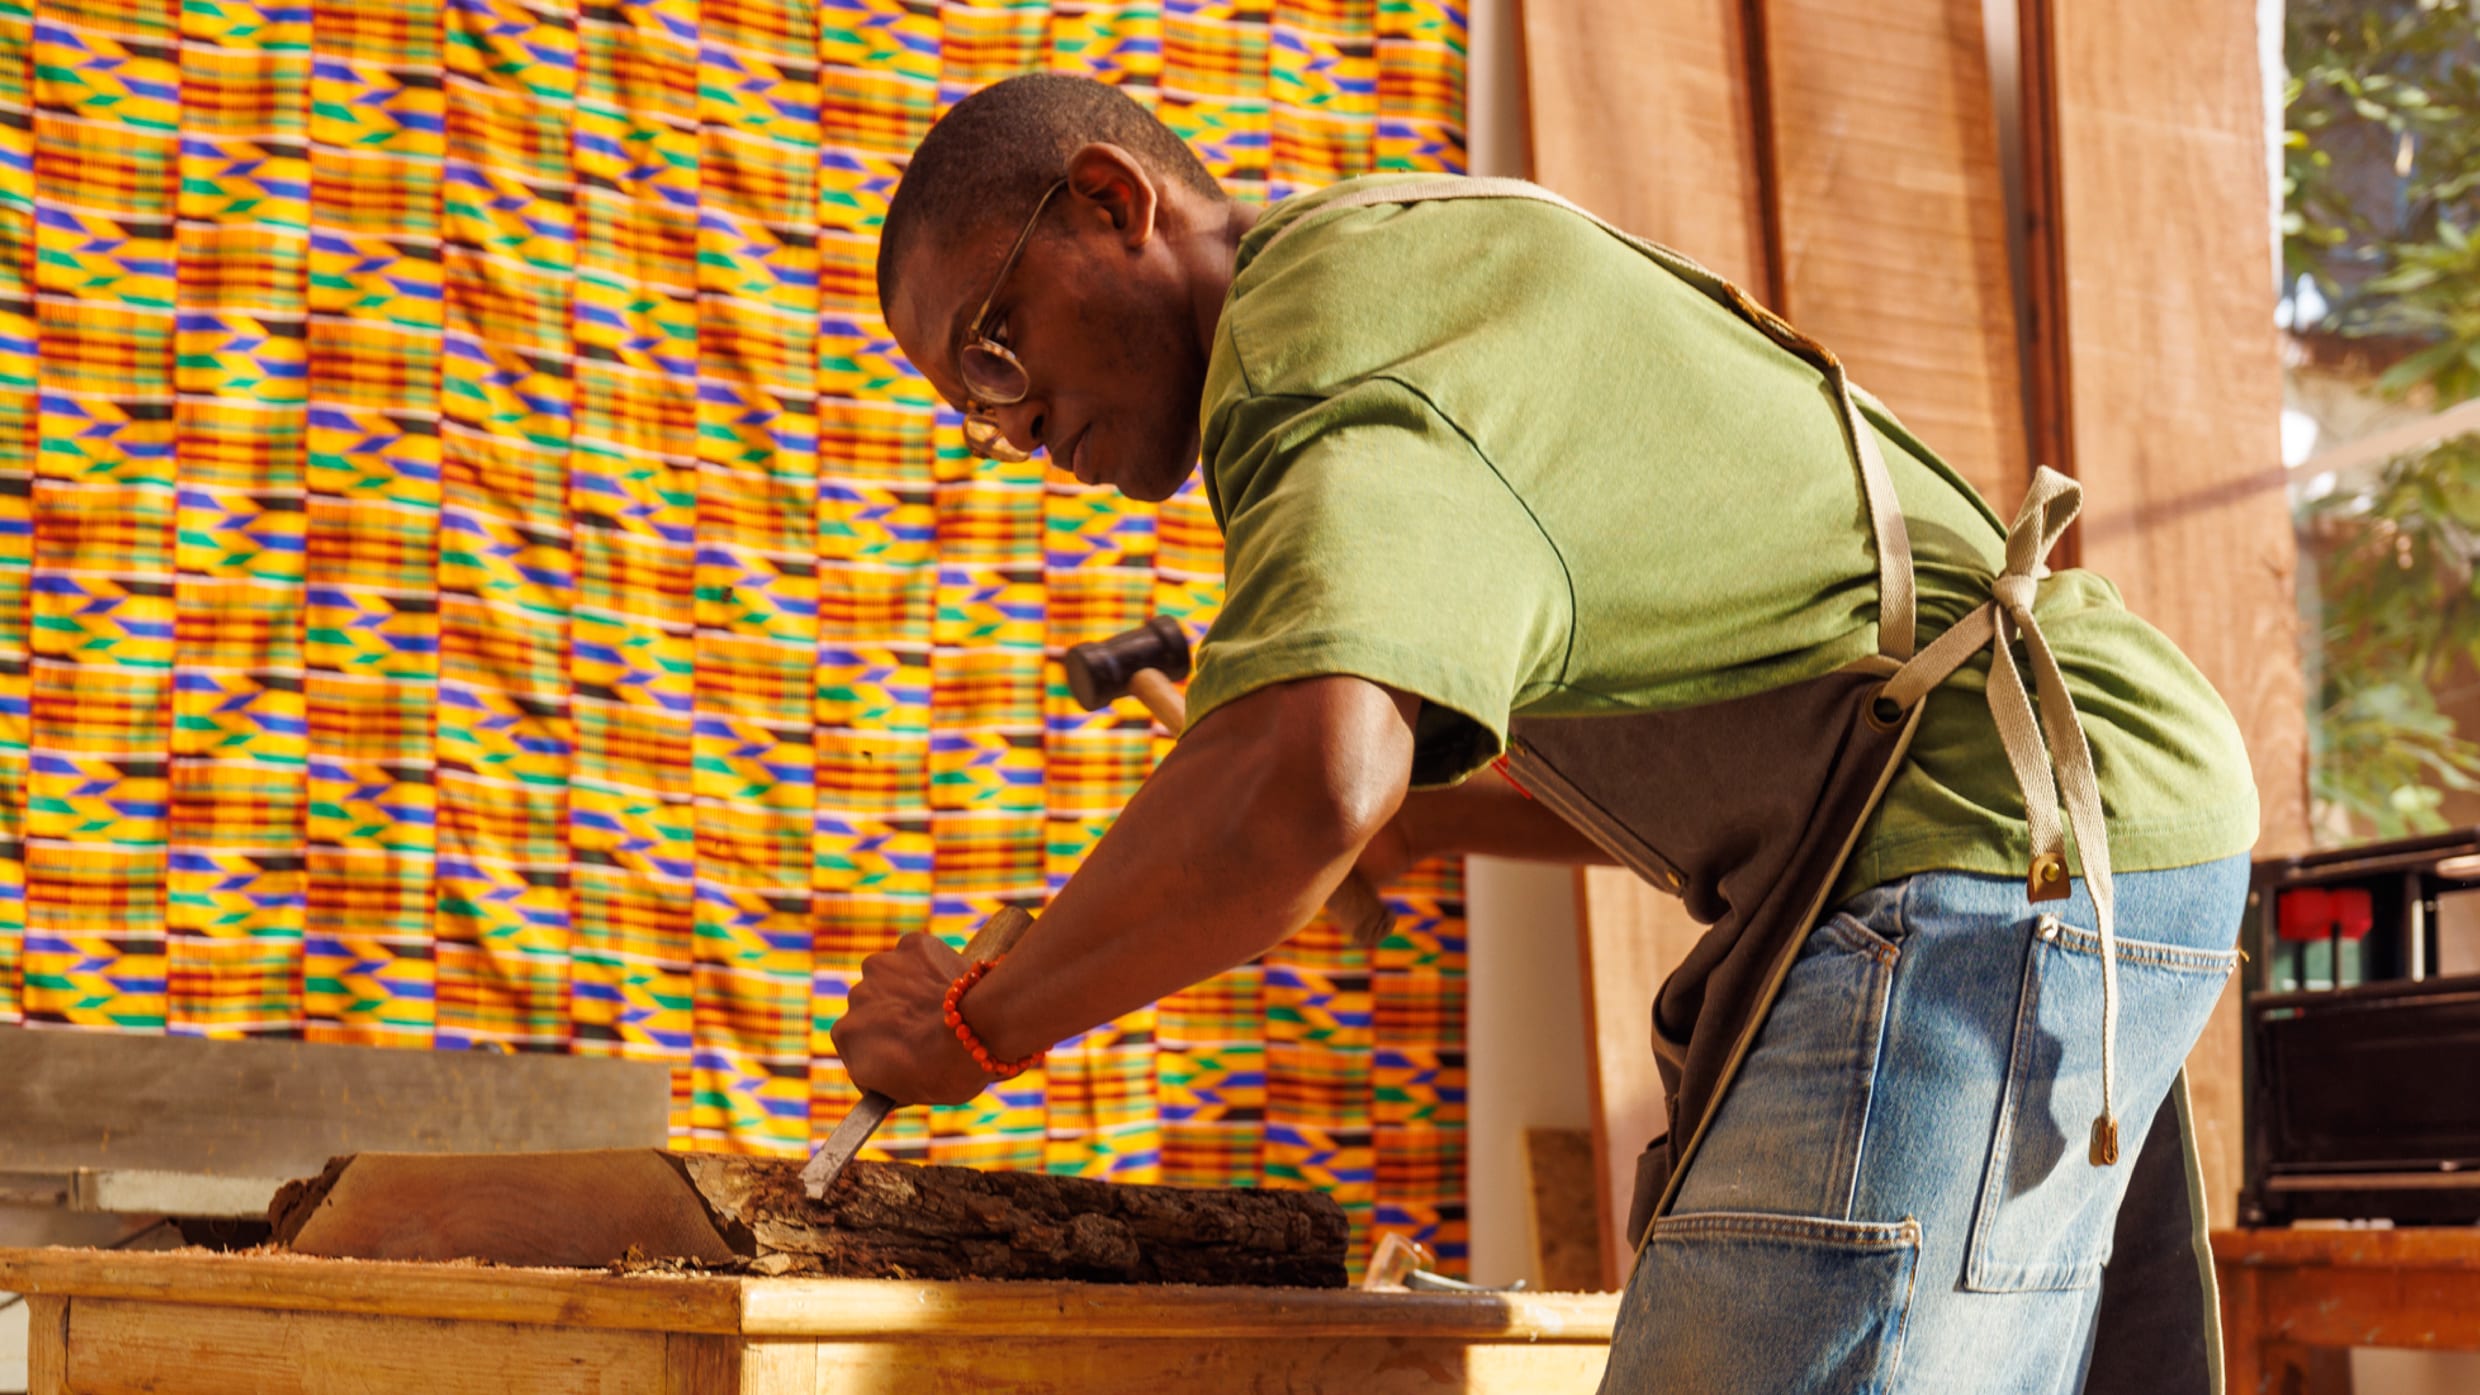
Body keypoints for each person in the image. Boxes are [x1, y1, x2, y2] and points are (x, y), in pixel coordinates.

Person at [830, 72, 2259, 1395]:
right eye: (970, 407)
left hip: (1991, 834)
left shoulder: (1318, 337)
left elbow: (1300, 790)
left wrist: (976, 1025)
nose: (1008, 421)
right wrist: (1430, 815)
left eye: (994, 346)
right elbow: (1744, 689)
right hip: (2072, 817)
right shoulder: (1408, 269)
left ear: (1110, 200)